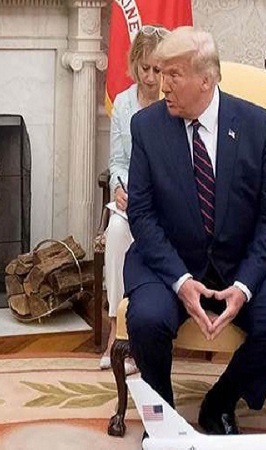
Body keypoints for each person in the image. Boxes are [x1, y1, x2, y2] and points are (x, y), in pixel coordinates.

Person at [125, 26, 266, 436]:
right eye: (160, 72)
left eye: (173, 75)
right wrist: (180, 280)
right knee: (146, 319)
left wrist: (245, 286)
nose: (162, 85)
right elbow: (141, 213)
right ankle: (162, 418)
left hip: (240, 259)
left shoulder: (257, 125)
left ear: (206, 79)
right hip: (167, 259)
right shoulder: (146, 127)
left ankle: (220, 402)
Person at [101, 25, 169, 374]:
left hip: (165, 204)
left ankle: (145, 336)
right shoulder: (124, 104)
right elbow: (117, 162)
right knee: (116, 233)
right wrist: (118, 187)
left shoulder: (174, 103)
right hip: (131, 199)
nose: (151, 77)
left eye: (157, 69)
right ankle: (117, 330)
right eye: (145, 68)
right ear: (134, 65)